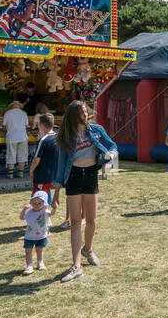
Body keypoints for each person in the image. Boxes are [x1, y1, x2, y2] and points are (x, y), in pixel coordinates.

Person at [50, 100, 117, 282]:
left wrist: (109, 158)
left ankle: (87, 249)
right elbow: (61, 165)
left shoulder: (96, 130)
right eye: (82, 113)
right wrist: (56, 193)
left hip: (90, 175)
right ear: (74, 116)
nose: (86, 115)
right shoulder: (65, 136)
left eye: (86, 112)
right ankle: (76, 266)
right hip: (73, 176)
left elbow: (112, 146)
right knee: (75, 222)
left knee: (92, 221)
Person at [20, 190, 54, 274]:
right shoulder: (30, 213)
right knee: (28, 251)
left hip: (41, 236)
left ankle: (40, 262)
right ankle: (29, 266)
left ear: (44, 204)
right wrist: (24, 210)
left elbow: (52, 213)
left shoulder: (45, 212)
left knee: (39, 250)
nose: (37, 205)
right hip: (29, 236)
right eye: (34, 203)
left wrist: (55, 207)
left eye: (40, 203)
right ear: (31, 203)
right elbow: (22, 217)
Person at [2, 100, 31, 178]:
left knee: (11, 155)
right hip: (23, 137)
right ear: (19, 106)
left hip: (11, 137)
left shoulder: (7, 113)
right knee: (22, 155)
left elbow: (4, 126)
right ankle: (20, 173)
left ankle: (11, 174)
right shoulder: (24, 113)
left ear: (11, 106)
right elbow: (26, 126)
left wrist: (7, 129)